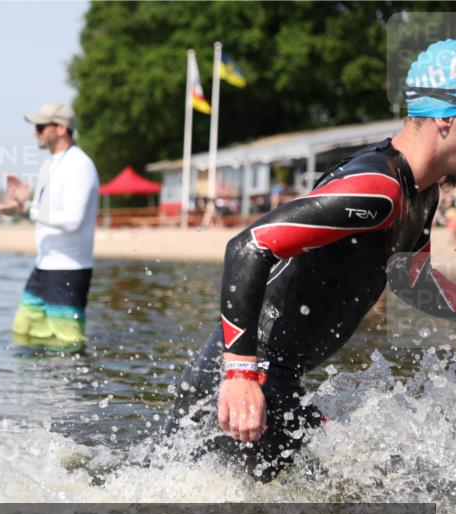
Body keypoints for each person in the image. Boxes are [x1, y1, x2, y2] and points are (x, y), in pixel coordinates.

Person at [167, 39, 456, 482]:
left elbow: (409, 277)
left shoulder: (421, 192)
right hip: (243, 386)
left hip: (275, 382)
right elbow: (249, 246)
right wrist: (241, 375)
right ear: (446, 119)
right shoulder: (379, 189)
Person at [0, 102, 100, 346]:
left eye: (41, 127)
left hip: (69, 269)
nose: (36, 132)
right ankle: (32, 386)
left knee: (68, 344)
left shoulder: (80, 165)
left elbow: (72, 220)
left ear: (62, 128)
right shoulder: (48, 165)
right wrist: (22, 208)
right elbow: (43, 215)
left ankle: (75, 384)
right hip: (43, 266)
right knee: (23, 332)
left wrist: (30, 211)